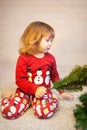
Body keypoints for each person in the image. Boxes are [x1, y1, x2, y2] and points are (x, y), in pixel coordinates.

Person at [1, 21, 73, 119]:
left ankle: (54, 99)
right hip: (24, 92)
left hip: (43, 92)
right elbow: (20, 80)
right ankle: (7, 97)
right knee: (8, 112)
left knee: (44, 113)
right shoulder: (23, 58)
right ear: (34, 40)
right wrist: (35, 89)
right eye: (47, 40)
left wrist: (62, 92)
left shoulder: (50, 58)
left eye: (51, 40)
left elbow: (55, 76)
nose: (50, 44)